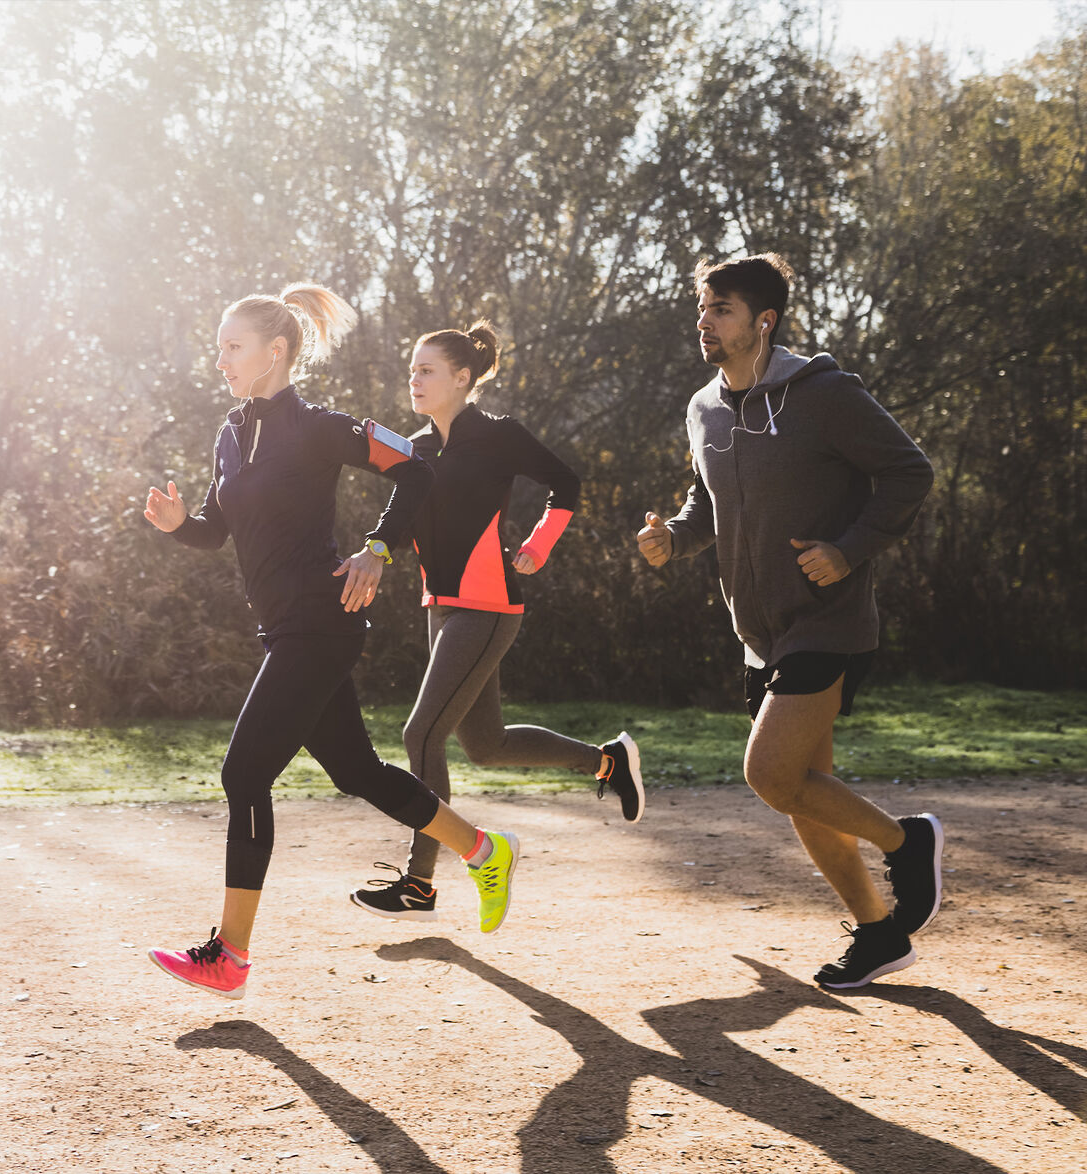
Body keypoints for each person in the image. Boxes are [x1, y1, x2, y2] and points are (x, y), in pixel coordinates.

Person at [142, 284, 521, 1000]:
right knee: (357, 771)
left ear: (275, 351)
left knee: (243, 774)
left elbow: (417, 467)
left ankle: (231, 954)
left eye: (233, 347)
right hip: (285, 629)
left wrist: (379, 548)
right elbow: (215, 530)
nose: (219, 359)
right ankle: (482, 849)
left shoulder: (318, 427)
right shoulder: (230, 435)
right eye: (219, 346)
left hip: (323, 620)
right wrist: (177, 525)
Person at [635, 254, 941, 991]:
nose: (704, 322)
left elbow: (910, 470)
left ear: (762, 321)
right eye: (702, 308)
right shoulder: (703, 407)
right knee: (805, 786)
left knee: (770, 774)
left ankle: (909, 843)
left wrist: (849, 550)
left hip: (828, 618)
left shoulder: (824, 394)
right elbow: (706, 499)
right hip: (758, 629)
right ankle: (877, 933)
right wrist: (674, 536)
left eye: (722, 310)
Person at [349, 321, 645, 923]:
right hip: (441, 606)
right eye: (412, 369)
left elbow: (566, 483)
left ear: (463, 378)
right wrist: (369, 552)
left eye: (427, 370)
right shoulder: (417, 449)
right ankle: (607, 761)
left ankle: (419, 884)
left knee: (421, 735)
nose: (415, 379)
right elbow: (405, 526)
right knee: (484, 744)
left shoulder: (498, 435)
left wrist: (540, 543)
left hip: (488, 605)